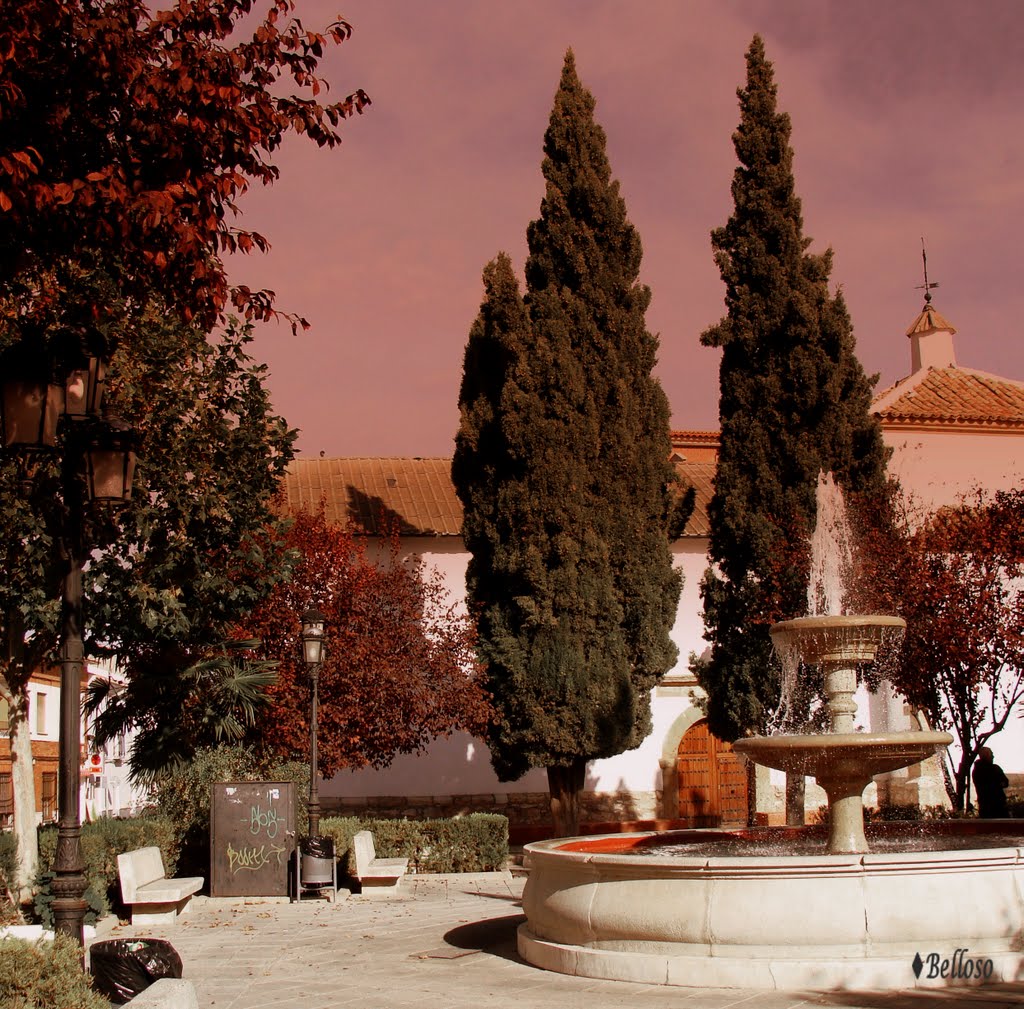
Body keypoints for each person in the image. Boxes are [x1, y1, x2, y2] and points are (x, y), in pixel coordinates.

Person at [972, 746, 1009, 818]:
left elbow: (1005, 782)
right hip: (996, 806)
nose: (993, 756)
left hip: (985, 807)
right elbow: (1004, 782)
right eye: (991, 754)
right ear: (986, 755)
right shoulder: (994, 769)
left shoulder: (976, 771)